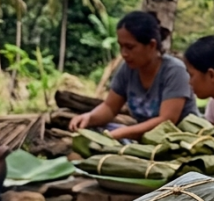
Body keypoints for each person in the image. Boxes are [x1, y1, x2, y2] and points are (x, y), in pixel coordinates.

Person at [68, 11, 199, 139]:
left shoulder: (175, 71)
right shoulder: (127, 70)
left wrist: (123, 132)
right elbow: (109, 107)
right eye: (121, 47)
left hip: (182, 140)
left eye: (130, 47)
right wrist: (89, 117)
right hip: (147, 141)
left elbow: (166, 121)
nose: (124, 53)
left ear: (151, 45)